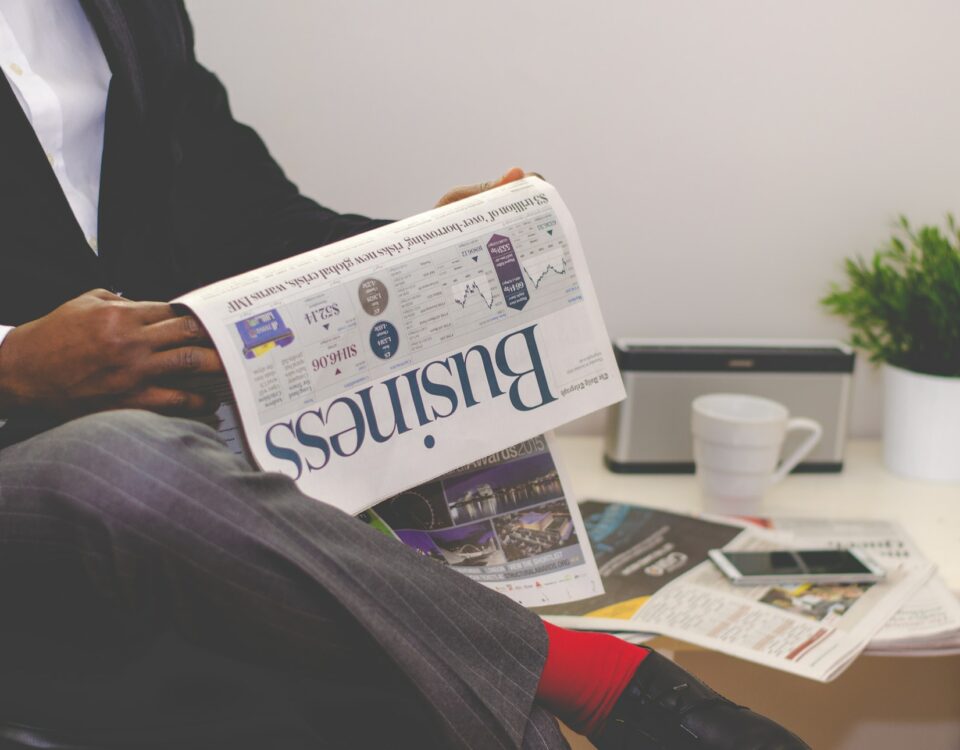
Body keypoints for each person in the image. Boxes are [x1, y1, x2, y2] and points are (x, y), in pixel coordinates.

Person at [0, 1, 811, 748]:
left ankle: (598, 691)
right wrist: (11, 364)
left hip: (195, 479)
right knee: (124, 464)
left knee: (428, 666)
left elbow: (246, 221)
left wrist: (430, 249)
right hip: (70, 473)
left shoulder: (134, 11)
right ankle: (615, 685)